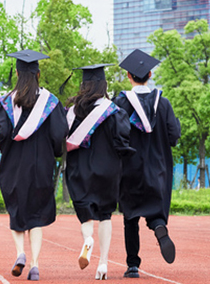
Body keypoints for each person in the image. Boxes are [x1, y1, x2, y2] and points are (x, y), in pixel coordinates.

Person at [0, 50, 68, 281]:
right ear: (38, 74)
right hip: (41, 165)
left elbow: (3, 134)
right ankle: (35, 265)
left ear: (17, 73)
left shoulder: (5, 103)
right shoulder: (51, 103)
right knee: (36, 215)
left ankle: (20, 253)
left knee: (17, 211)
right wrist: (55, 153)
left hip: (13, 166)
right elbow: (59, 134)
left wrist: (5, 147)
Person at [64, 64, 135, 280]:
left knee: (84, 209)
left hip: (80, 170)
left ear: (83, 85)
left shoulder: (73, 112)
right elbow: (122, 140)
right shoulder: (113, 111)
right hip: (108, 170)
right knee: (105, 215)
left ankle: (87, 239)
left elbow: (62, 138)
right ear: (104, 85)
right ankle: (103, 264)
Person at [114, 49, 181, 278]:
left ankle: (133, 265)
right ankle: (159, 227)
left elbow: (115, 135)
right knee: (154, 209)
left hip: (130, 168)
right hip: (158, 168)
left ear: (129, 76)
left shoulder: (121, 103)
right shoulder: (164, 104)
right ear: (150, 74)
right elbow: (174, 135)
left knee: (130, 217)